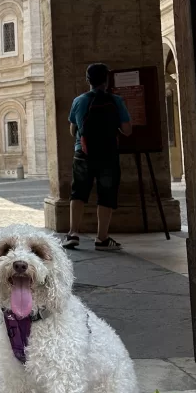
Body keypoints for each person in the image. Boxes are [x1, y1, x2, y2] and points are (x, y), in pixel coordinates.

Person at [64, 62, 132, 251]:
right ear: (106, 79)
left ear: (88, 80)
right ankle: (102, 238)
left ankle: (73, 234)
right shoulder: (116, 101)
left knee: (78, 193)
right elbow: (127, 130)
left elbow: (72, 130)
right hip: (108, 154)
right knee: (106, 195)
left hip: (83, 152)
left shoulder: (79, 100)